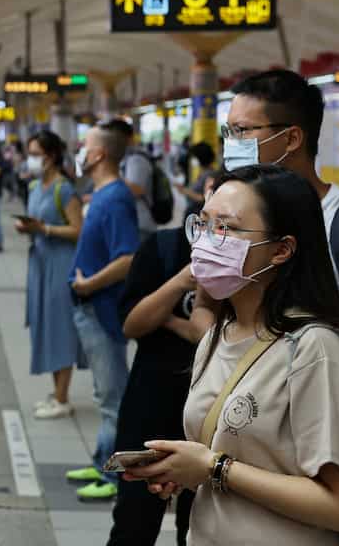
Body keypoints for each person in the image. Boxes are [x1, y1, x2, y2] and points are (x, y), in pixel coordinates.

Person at [126, 166, 339, 545]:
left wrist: (214, 467)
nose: (206, 242)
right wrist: (186, 470)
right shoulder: (217, 339)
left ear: (282, 249)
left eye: (225, 228)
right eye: (204, 224)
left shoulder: (317, 351)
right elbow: (242, 457)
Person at [221, 69, 339, 437]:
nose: (232, 142)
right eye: (228, 131)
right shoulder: (230, 215)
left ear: (291, 138)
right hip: (242, 417)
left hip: (328, 422)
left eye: (243, 131)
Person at [108, 225, 201, 545]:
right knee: (134, 523)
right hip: (149, 406)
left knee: (195, 529)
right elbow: (133, 324)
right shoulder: (162, 247)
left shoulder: (233, 266)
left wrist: (167, 319)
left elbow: (201, 332)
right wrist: (180, 282)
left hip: (205, 418)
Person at [65, 122, 139, 500]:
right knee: (104, 393)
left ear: (99, 155)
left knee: (113, 397)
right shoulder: (101, 195)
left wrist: (88, 285)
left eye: (85, 145)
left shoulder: (114, 199)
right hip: (91, 308)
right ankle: (100, 463)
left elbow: (127, 258)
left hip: (102, 309)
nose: (80, 150)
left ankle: (114, 477)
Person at [15, 130, 85, 419]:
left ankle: (62, 397)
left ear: (52, 156)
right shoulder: (34, 187)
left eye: (36, 154)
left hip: (60, 264)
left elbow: (78, 230)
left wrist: (44, 229)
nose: (31, 160)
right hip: (40, 263)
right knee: (44, 323)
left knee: (60, 327)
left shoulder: (63, 189)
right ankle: (57, 393)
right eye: (29, 154)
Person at [113, 119, 159, 240]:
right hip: (133, 222)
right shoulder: (125, 158)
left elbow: (136, 190)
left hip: (141, 223)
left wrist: (112, 175)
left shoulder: (136, 160)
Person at [177, 141, 217, 217]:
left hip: (198, 215)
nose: (192, 160)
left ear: (200, 158)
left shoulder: (210, 175)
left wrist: (185, 191)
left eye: (193, 157)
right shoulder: (204, 173)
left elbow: (204, 198)